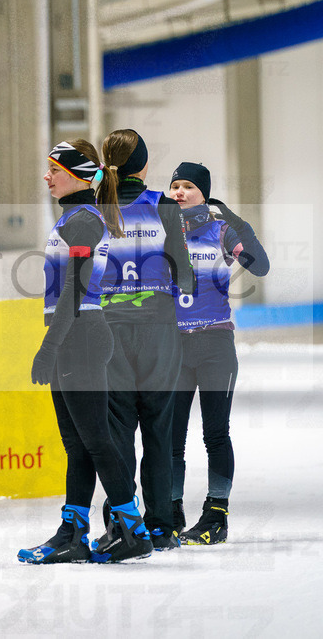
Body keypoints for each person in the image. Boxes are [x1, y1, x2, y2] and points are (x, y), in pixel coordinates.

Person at [21, 140, 152, 564]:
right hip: (74, 336)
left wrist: (49, 347)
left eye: (54, 169)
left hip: (80, 336)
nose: (47, 177)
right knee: (77, 444)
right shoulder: (74, 218)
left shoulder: (82, 221)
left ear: (76, 175)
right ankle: (73, 531)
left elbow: (75, 290)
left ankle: (133, 530)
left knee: (96, 441)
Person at [94, 129, 194, 552]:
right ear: (146, 166)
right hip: (158, 330)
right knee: (158, 430)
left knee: (117, 430)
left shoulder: (94, 207)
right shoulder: (164, 206)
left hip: (108, 331)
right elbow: (185, 272)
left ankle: (123, 521)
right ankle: (162, 525)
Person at [167, 162, 269, 545]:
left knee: (215, 433)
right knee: (171, 437)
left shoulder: (221, 232)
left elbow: (260, 265)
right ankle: (171, 511)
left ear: (203, 194)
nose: (179, 191)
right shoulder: (162, 233)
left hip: (214, 346)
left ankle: (216, 515)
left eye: (188, 186)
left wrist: (235, 220)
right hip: (174, 347)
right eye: (174, 185)